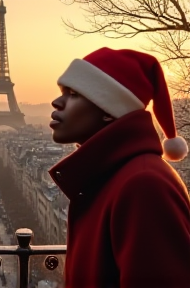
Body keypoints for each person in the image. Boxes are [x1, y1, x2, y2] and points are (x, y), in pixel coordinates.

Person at [48, 47, 190, 288]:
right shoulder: (118, 178)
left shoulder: (143, 185)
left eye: (73, 93)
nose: (57, 101)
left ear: (108, 110)